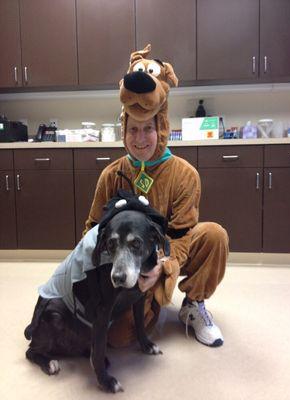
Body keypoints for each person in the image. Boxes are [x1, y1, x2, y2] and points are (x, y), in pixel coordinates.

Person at [83, 114, 229, 349]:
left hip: (169, 256)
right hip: (130, 266)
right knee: (118, 339)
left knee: (214, 235)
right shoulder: (111, 175)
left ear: (161, 130)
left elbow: (184, 235)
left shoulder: (185, 174)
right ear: (124, 131)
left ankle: (193, 304)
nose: (140, 138)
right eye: (133, 130)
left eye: (147, 128)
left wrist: (163, 266)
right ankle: (147, 301)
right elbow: (92, 229)